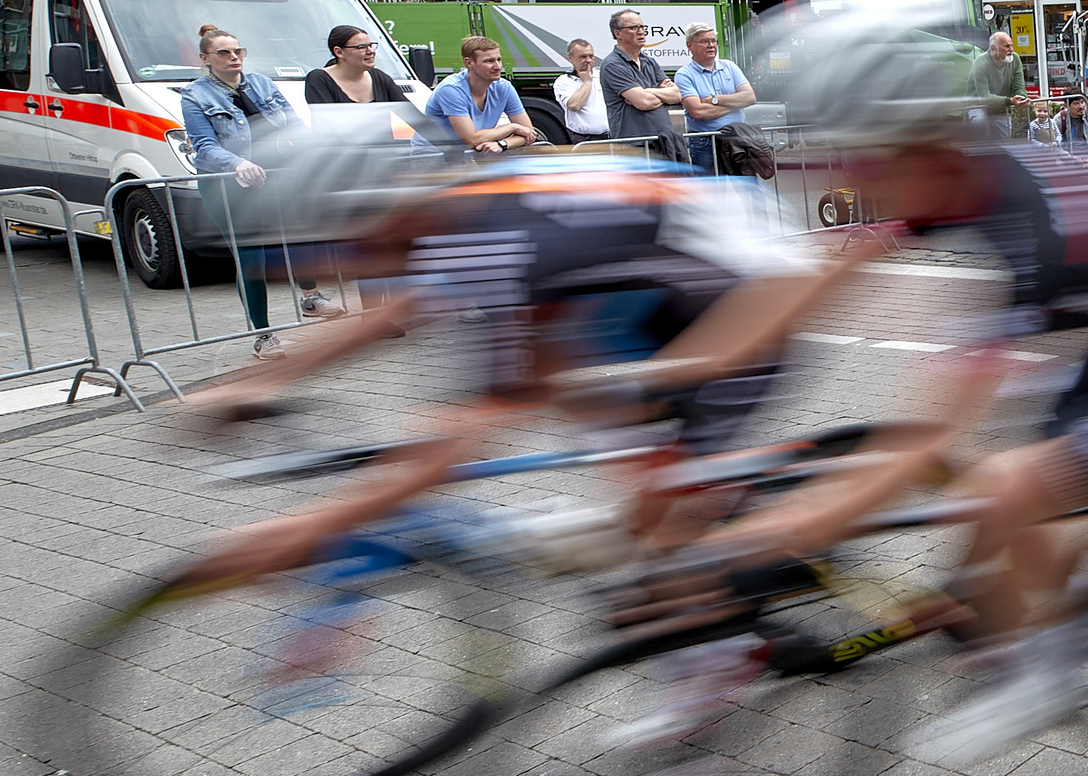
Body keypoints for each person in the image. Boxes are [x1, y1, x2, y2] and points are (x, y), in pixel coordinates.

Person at [618, 0, 1088, 759]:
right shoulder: (944, 175)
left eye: (857, 154)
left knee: (1009, 487)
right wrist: (670, 370)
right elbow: (815, 281)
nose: (843, 170)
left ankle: (1042, 675)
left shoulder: (1038, 229)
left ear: (916, 143)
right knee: (1005, 494)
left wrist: (782, 531)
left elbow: (935, 432)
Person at [175, 152, 865, 589]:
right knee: (585, 406)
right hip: (653, 300)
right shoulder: (455, 214)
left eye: (322, 254)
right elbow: (392, 316)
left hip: (742, 309)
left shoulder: (489, 240)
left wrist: (309, 526)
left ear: (364, 223)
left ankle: (718, 634)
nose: (326, 273)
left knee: (662, 531)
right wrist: (260, 380)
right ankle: (707, 520)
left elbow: (473, 428)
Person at [179, 24, 308, 360]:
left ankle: (311, 296)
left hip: (276, 178)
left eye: (238, 51)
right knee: (252, 259)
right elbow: (204, 146)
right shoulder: (195, 95)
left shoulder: (263, 83)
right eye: (224, 52)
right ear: (205, 58)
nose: (234, 57)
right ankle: (263, 334)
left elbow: (294, 124)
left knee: (302, 237)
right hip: (229, 186)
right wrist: (236, 164)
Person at [296, 25, 414, 322]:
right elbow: (331, 127)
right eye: (360, 47)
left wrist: (451, 147)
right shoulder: (319, 80)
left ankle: (391, 310)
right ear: (338, 52)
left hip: (384, 174)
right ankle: (373, 317)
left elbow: (413, 116)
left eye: (370, 44)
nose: (370, 50)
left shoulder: (380, 79)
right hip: (347, 177)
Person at [423, 35, 538, 153]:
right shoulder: (451, 89)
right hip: (432, 158)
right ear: (469, 63)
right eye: (489, 61)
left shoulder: (504, 87)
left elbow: (529, 132)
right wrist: (512, 127)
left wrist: (502, 144)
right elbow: (470, 140)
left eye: (498, 60)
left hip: (470, 156)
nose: (497, 67)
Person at [673, 22, 755, 172]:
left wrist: (714, 100)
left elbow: (750, 97)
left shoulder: (729, 66)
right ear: (690, 45)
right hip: (705, 143)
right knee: (711, 191)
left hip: (736, 137)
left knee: (747, 187)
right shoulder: (684, 75)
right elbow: (698, 112)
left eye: (713, 41)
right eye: (704, 41)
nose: (711, 45)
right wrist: (736, 103)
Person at [601, 9, 681, 148]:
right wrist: (660, 95)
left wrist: (648, 91)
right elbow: (643, 102)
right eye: (633, 28)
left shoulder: (649, 61)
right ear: (617, 33)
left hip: (663, 141)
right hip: (635, 146)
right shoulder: (612, 64)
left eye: (642, 27)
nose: (641, 31)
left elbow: (677, 95)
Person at [552, 38, 609, 142]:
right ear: (570, 58)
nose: (588, 60)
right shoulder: (564, 81)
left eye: (591, 56)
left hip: (612, 137)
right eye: (582, 57)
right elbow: (574, 105)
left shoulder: (604, 76)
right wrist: (587, 82)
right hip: (585, 139)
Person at [978, 31, 1030, 140]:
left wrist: (1022, 98)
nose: (1011, 50)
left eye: (1011, 45)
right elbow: (983, 97)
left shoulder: (1015, 59)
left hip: (1001, 109)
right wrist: (1010, 101)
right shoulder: (980, 63)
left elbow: (1019, 86)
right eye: (1006, 46)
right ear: (993, 48)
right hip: (978, 107)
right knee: (979, 132)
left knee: (1004, 146)